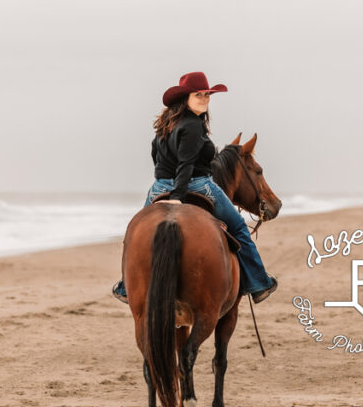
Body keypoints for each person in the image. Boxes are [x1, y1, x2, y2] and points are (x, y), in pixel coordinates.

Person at [112, 71, 278, 305]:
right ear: (185, 98)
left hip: (158, 186)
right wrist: (179, 196)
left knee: (135, 233)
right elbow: (186, 164)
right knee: (240, 228)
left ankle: (125, 286)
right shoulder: (193, 125)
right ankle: (259, 283)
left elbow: (155, 156)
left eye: (207, 95)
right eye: (197, 94)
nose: (204, 98)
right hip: (197, 184)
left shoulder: (164, 125)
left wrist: (166, 182)